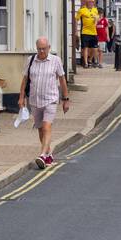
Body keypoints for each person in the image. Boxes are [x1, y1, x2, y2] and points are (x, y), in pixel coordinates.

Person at [18, 36, 69, 169]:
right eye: (39, 49)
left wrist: (66, 99)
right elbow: (25, 79)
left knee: (47, 127)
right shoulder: (30, 60)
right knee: (40, 129)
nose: (41, 51)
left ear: (49, 48)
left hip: (50, 99)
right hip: (35, 100)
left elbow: (62, 80)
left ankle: (41, 155)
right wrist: (21, 97)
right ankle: (48, 154)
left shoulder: (55, 60)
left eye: (44, 49)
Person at [76, 0, 100, 69]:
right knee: (85, 48)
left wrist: (96, 20)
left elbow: (97, 20)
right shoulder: (82, 10)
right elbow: (77, 20)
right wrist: (76, 30)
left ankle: (90, 60)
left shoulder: (95, 10)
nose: (92, 3)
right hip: (85, 32)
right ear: (86, 2)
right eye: (90, 2)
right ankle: (86, 63)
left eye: (93, 2)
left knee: (94, 48)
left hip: (93, 32)